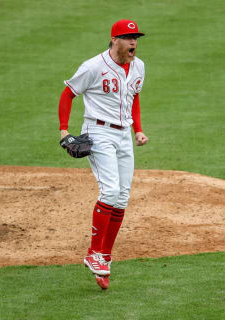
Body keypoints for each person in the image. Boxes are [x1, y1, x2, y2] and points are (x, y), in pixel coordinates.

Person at [58, 19, 149, 290]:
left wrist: (139, 130)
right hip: (98, 133)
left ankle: (104, 257)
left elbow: (133, 98)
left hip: (123, 135)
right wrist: (64, 131)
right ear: (114, 40)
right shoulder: (93, 66)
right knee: (109, 191)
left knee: (121, 198)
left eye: (136, 38)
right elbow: (67, 94)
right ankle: (93, 253)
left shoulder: (139, 66)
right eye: (127, 37)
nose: (133, 42)